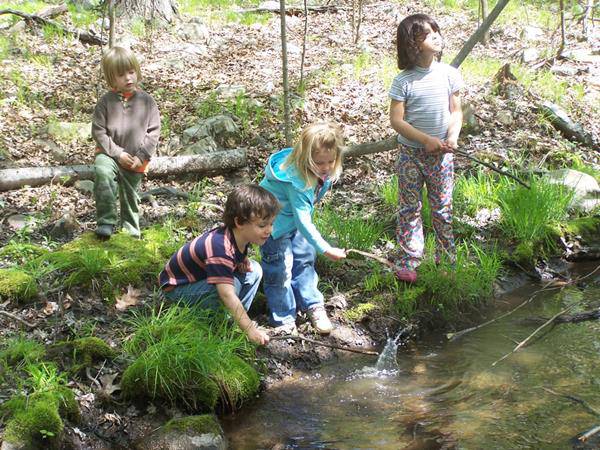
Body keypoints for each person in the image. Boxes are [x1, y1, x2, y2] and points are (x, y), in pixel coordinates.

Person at [389, 13, 464, 283]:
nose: (436, 35)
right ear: (412, 44)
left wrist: (452, 136)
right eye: (427, 33)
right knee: (409, 208)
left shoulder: (449, 74)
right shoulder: (404, 81)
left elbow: (456, 111)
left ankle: (446, 260)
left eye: (436, 30)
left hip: (442, 156)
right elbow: (396, 120)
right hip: (411, 155)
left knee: (442, 209)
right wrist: (424, 140)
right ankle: (409, 260)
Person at [159, 184, 279, 345]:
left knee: (254, 270)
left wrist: (241, 261)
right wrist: (251, 330)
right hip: (177, 289)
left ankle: (232, 319)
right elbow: (226, 293)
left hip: (201, 278)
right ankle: (221, 323)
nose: (269, 230)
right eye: (262, 225)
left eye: (271, 224)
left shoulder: (241, 237)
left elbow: (235, 256)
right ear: (239, 222)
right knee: (231, 286)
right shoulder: (219, 247)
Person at [260, 122, 347, 335]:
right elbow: (303, 220)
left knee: (305, 260)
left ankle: (312, 305)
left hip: (293, 223)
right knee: (280, 270)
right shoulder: (296, 181)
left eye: (330, 161)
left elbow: (307, 209)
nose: (325, 167)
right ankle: (284, 319)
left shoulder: (320, 173)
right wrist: (325, 248)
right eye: (319, 163)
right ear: (305, 159)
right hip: (273, 228)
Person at [92, 46, 160, 239]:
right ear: (112, 78)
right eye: (121, 75)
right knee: (103, 173)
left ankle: (130, 232)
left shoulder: (147, 102)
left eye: (131, 72)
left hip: (135, 159)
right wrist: (116, 153)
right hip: (110, 155)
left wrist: (141, 156)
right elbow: (98, 131)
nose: (128, 78)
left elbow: (153, 132)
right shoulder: (106, 102)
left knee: (130, 195)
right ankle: (106, 221)